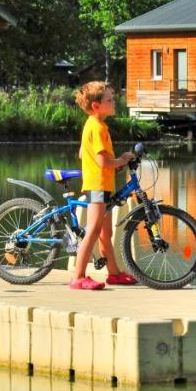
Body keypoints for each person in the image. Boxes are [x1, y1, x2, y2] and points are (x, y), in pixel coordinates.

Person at [70, 82, 135, 290]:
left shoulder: (95, 125)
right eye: (109, 100)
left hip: (103, 184)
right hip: (97, 186)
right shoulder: (97, 127)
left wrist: (112, 164)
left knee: (105, 234)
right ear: (96, 106)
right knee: (93, 230)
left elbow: (83, 154)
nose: (113, 102)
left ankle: (114, 273)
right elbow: (103, 162)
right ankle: (78, 277)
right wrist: (122, 160)